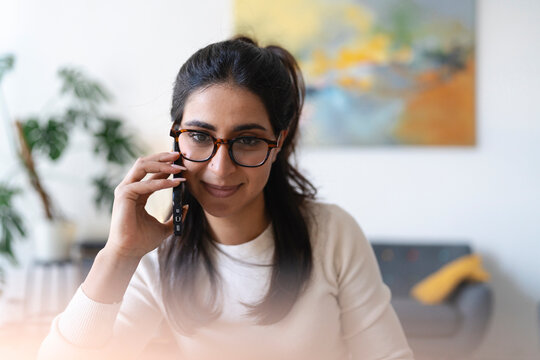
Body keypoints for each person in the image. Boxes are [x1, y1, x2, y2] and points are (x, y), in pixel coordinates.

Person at [38, 36, 414, 360]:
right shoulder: (156, 253)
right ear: (176, 139)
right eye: (200, 136)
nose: (220, 169)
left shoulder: (332, 234)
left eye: (247, 140)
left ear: (278, 141)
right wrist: (118, 256)